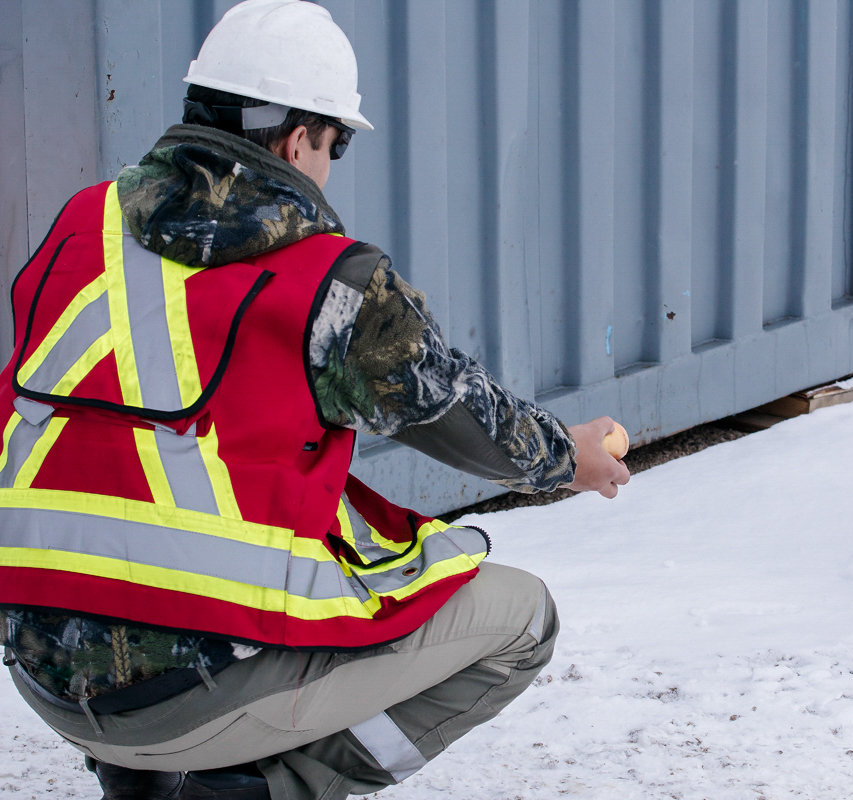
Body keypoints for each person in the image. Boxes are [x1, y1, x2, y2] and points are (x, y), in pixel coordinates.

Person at [0, 1, 630, 798]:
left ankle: (141, 782)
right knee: (520, 621)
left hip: (42, 675)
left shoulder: (78, 227)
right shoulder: (330, 283)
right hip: (194, 691)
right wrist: (566, 456)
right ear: (299, 141)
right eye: (334, 147)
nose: (328, 169)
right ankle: (254, 791)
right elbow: (463, 417)